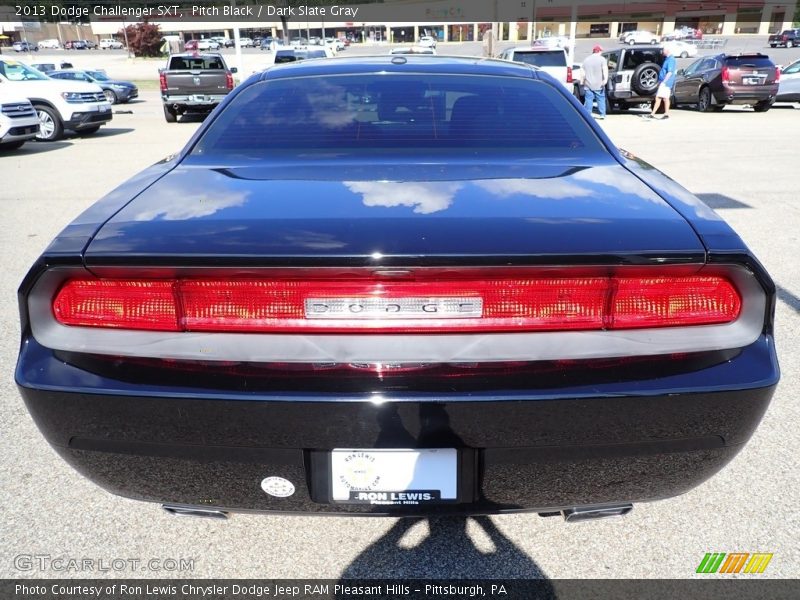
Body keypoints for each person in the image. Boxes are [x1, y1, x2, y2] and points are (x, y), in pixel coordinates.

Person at [647, 46, 676, 120]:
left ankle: (665, 114)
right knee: (660, 98)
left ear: (667, 50)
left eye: (663, 50)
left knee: (664, 98)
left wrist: (664, 82)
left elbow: (669, 72)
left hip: (666, 83)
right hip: (663, 82)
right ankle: (653, 114)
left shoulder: (671, 60)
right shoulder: (667, 59)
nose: (662, 51)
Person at [580, 44, 609, 119]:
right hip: (599, 84)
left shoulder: (586, 60)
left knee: (589, 100)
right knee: (601, 99)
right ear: (598, 51)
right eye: (601, 51)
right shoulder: (602, 59)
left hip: (588, 84)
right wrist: (605, 80)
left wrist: (582, 81)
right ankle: (602, 114)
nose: (602, 52)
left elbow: (582, 72)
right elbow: (605, 70)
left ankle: (588, 115)